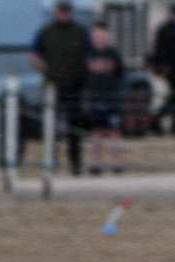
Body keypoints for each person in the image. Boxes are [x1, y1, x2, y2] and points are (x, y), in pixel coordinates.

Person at [30, 0, 89, 176]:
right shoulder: (46, 31)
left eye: (66, 10)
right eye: (61, 10)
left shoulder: (81, 31)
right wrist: (46, 69)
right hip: (53, 87)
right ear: (56, 11)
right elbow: (34, 54)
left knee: (74, 128)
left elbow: (90, 54)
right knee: (51, 127)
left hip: (75, 85)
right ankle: (51, 163)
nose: (64, 13)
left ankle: (75, 165)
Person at [86, 22, 125, 173]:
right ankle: (97, 164)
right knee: (96, 132)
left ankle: (117, 164)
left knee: (114, 132)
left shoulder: (114, 54)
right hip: (95, 99)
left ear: (107, 36)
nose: (99, 38)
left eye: (102, 35)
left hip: (112, 99)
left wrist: (118, 95)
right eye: (96, 36)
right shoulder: (89, 54)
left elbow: (121, 75)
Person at [150, 2, 175, 134]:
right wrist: (161, 67)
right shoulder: (164, 29)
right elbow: (159, 50)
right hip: (171, 70)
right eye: (173, 12)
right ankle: (156, 120)